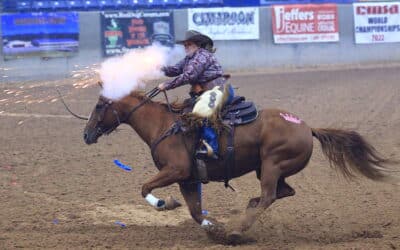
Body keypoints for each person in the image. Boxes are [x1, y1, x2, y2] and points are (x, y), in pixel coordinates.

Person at [158, 30, 233, 160]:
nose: (185, 47)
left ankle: (211, 147)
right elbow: (175, 70)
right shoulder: (190, 58)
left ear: (197, 44)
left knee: (202, 111)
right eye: (185, 45)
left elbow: (189, 76)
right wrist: (159, 67)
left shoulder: (202, 56)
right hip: (209, 92)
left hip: (218, 90)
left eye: (188, 44)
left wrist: (167, 85)